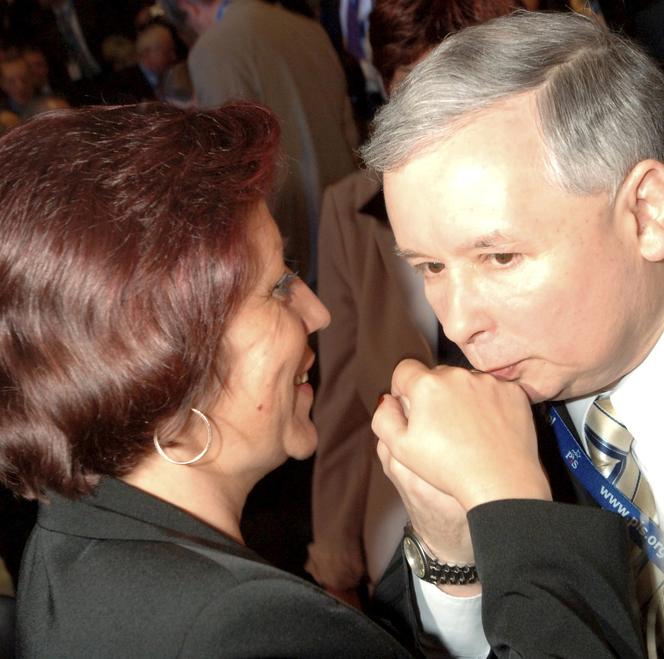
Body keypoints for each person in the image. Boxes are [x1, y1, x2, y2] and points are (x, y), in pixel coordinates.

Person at [1, 101, 410, 658]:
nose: (318, 314)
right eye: (277, 288)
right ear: (166, 363)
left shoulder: (70, 531)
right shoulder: (254, 630)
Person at [362, 9, 664, 658]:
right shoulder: (489, 426)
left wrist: (513, 510)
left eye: (499, 258)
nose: (458, 321)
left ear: (647, 212)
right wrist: (455, 560)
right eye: (431, 268)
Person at [307, 0, 516, 608]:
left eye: (453, 101)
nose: (431, 128)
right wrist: (335, 555)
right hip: (402, 534)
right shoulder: (349, 209)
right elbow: (343, 390)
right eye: (408, 96)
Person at [159, 0, 359, 281]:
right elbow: (346, 122)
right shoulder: (307, 27)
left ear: (189, 7)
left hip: (292, 226)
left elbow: (230, 164)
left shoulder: (212, 50)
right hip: (349, 202)